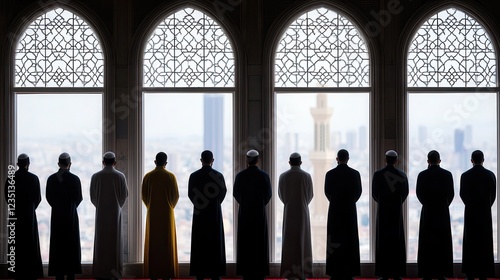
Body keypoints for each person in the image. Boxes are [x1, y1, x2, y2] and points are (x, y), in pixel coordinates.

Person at [233, 149, 272, 280]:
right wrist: (259, 204)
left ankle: (246, 272)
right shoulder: (264, 176)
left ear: (246, 160)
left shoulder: (240, 176)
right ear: (258, 160)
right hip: (259, 213)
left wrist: (245, 203)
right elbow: (268, 195)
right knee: (259, 242)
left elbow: (236, 194)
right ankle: (259, 272)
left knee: (246, 243)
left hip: (244, 213)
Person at [4, 153, 43, 280]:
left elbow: (8, 198)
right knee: (29, 245)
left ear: (17, 164)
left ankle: (16, 273)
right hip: (29, 216)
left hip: (15, 216)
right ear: (28, 164)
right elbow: (38, 198)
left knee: (16, 246)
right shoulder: (34, 178)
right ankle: (31, 273)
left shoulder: (10, 179)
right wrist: (30, 209)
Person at [188, 150, 227, 280]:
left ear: (201, 160)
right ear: (213, 160)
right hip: (214, 213)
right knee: (214, 244)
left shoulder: (194, 176)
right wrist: (215, 204)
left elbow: (190, 194)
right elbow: (223, 193)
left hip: (199, 214)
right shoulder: (219, 176)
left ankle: (200, 274)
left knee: (200, 243)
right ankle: (215, 274)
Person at [90, 151, 128, 280]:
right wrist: (117, 206)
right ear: (115, 162)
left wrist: (101, 206)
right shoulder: (120, 176)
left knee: (102, 243)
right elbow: (124, 196)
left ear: (103, 162)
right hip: (115, 214)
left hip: (101, 214)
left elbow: (93, 197)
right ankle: (115, 272)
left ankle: (101, 272)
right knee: (114, 243)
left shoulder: (96, 176)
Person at [324, 149, 362, 280]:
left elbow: (327, 192)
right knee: (349, 240)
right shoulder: (355, 174)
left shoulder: (330, 174)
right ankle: (349, 272)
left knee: (335, 240)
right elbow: (358, 192)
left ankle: (335, 272)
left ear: (337, 159)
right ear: (348, 158)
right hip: (350, 211)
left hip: (335, 210)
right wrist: (349, 202)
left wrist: (336, 202)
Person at [416, 150, 454, 280]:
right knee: (442, 243)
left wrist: (427, 205)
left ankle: (426, 273)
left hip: (427, 212)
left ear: (428, 161)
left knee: (427, 243)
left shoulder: (422, 175)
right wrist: (443, 206)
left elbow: (419, 194)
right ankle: (441, 273)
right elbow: (451, 194)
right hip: (442, 212)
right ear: (440, 160)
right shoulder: (447, 175)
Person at [142, 152, 179, 280]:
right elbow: (175, 196)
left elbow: (144, 196)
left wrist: (151, 206)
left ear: (155, 162)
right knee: (166, 243)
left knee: (153, 242)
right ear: (166, 163)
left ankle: (154, 273)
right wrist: (169, 207)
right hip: (167, 213)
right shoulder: (170, 177)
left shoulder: (148, 176)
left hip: (152, 213)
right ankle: (166, 273)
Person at [372, 150, 408, 280]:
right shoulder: (402, 175)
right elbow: (405, 193)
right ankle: (397, 273)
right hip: (396, 212)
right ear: (396, 160)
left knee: (383, 242)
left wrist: (383, 202)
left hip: (383, 211)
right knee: (396, 242)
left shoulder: (377, 175)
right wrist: (396, 203)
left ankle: (384, 273)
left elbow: (375, 194)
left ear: (385, 160)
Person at [46, 153, 83, 280]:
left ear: (58, 164)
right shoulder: (75, 179)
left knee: (58, 246)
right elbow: (79, 198)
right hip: (71, 216)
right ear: (70, 164)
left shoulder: (51, 179)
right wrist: (71, 207)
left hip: (56, 217)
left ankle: (59, 275)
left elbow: (48, 197)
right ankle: (71, 275)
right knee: (71, 246)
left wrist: (57, 207)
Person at [460, 150, 496, 279]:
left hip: (470, 212)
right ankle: (484, 273)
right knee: (484, 242)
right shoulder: (490, 175)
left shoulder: (465, 175)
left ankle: (470, 273)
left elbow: (462, 194)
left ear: (471, 160)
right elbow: (493, 195)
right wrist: (485, 206)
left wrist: (470, 205)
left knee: (471, 242)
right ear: (483, 159)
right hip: (485, 213)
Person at [278, 152, 314, 279]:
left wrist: (289, 204)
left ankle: (289, 272)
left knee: (289, 244)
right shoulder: (307, 176)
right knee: (303, 242)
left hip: (289, 211)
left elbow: (281, 195)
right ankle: (303, 272)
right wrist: (302, 203)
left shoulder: (283, 176)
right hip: (303, 211)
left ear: (289, 162)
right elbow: (310, 195)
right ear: (301, 162)